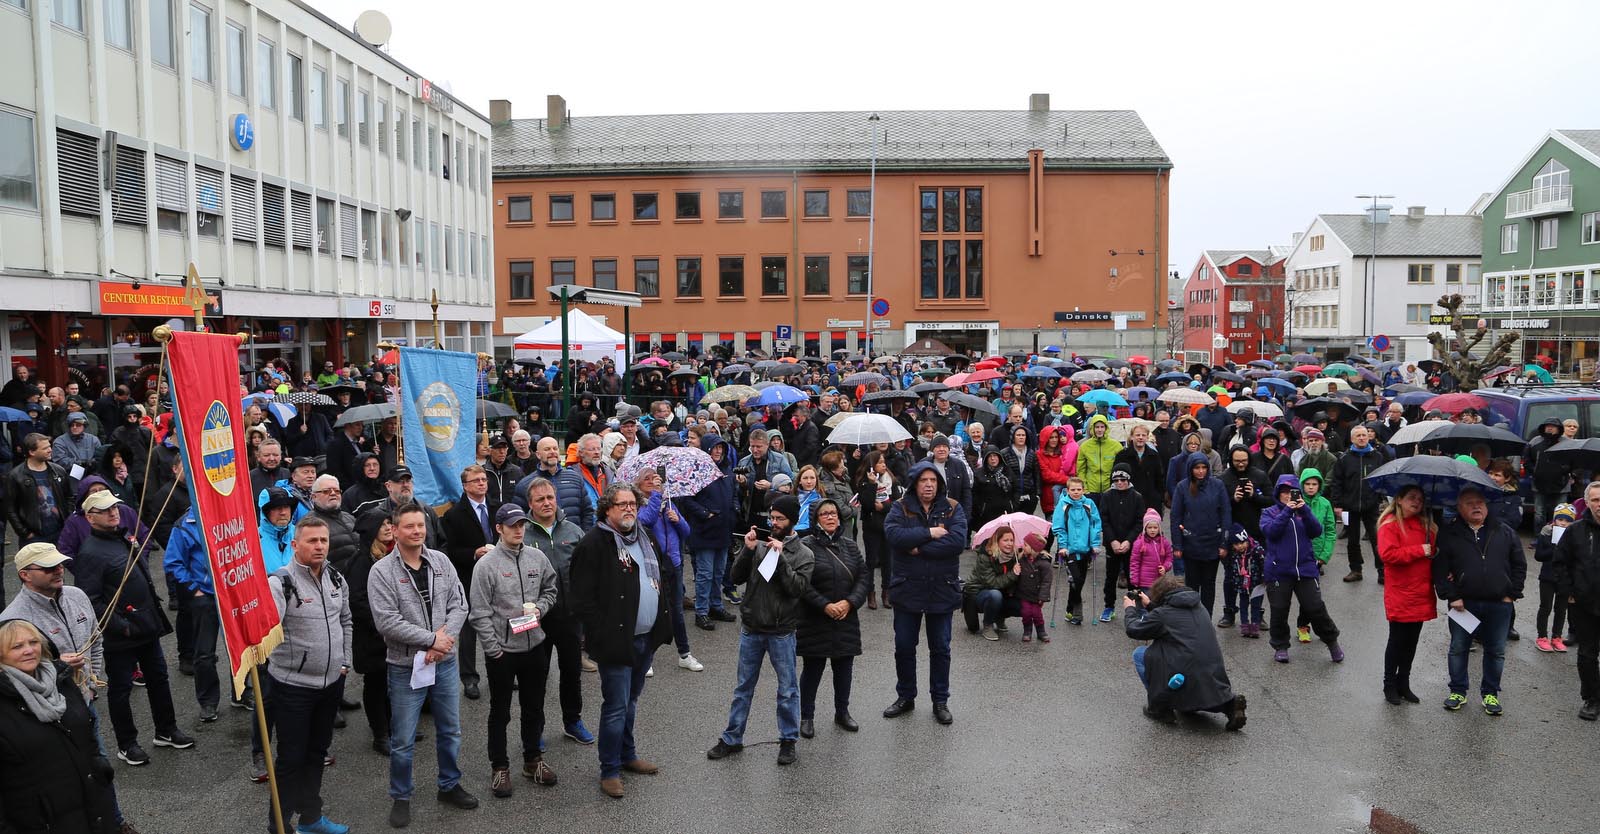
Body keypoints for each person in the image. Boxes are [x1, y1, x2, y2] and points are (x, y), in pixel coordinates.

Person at [368, 502, 477, 828]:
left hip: (443, 663)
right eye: (409, 526)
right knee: (402, 739)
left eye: (420, 525)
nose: (416, 531)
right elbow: (387, 622)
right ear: (395, 530)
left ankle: (449, 784)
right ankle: (401, 796)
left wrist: (443, 641)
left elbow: (460, 604)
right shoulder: (382, 572)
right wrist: (431, 640)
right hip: (405, 667)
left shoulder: (441, 561)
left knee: (450, 730)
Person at [567, 484, 673, 799]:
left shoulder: (645, 536)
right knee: (615, 706)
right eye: (622, 504)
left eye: (632, 504)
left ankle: (628, 755)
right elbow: (581, 600)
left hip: (645, 638)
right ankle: (609, 769)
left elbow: (660, 578)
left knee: (631, 701)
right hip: (616, 642)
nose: (629, 509)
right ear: (607, 509)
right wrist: (602, 633)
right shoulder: (594, 544)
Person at [72, 490, 192, 766]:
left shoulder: (122, 536)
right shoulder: (89, 553)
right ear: (90, 518)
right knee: (121, 689)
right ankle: (127, 744)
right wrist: (121, 626)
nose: (113, 512)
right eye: (104, 510)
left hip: (145, 626)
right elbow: (90, 600)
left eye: (114, 507)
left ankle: (166, 729)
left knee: (159, 679)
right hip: (121, 635)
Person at [706, 494, 814, 766]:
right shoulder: (761, 545)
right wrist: (747, 549)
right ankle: (732, 738)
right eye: (772, 518)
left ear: (792, 521)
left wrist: (781, 560)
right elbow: (735, 578)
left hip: (781, 631)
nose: (774, 523)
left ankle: (788, 740)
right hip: (752, 627)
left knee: (787, 689)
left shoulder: (804, 554)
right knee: (743, 687)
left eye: (780, 519)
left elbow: (796, 589)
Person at [264, 516, 354, 834]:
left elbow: (346, 620)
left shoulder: (335, 578)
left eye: (323, 541)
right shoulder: (281, 583)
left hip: (330, 684)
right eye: (312, 541)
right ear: (295, 544)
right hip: (292, 687)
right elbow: (268, 627)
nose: (319, 546)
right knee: (291, 760)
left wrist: (344, 662)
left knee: (317, 754)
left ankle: (311, 819)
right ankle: (279, 825)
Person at [469, 504, 559, 799]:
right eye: (512, 525)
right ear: (499, 529)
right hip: (503, 652)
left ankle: (532, 760)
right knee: (500, 711)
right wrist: (494, 650)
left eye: (521, 524)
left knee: (534, 707)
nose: (518, 529)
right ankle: (500, 767)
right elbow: (479, 614)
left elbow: (550, 589)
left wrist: (541, 610)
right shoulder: (486, 566)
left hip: (534, 645)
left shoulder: (537, 556)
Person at [0, 619, 121, 834]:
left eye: (33, 642)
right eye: (17, 646)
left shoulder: (61, 679)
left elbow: (87, 731)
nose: (29, 650)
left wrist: (99, 767)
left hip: (94, 810)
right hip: (43, 823)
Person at [881, 462, 968, 726]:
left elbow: (957, 542)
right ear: (914, 483)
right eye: (923, 480)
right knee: (905, 647)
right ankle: (906, 696)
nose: (929, 484)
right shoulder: (900, 507)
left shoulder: (952, 507)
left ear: (939, 483)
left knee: (940, 648)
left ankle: (940, 700)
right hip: (908, 588)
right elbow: (894, 535)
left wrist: (918, 548)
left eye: (933, 480)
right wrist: (930, 533)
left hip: (942, 588)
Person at [1434, 487, 1526, 716]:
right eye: (1469, 503)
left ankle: (1491, 693)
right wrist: (1451, 595)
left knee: (1496, 651)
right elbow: (1439, 568)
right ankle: (1458, 691)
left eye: (1480, 503)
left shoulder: (1504, 531)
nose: (1476, 506)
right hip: (1463, 605)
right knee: (1458, 648)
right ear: (1459, 508)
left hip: (1499, 603)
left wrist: (1512, 593)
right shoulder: (1449, 533)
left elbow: (1519, 564)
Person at [1122, 572, 1247, 730]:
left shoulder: (1162, 614)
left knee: (1140, 654)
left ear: (1160, 595)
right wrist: (1150, 606)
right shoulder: (1200, 607)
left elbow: (1134, 629)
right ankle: (1230, 705)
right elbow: (1174, 619)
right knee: (1203, 692)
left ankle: (1161, 707)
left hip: (1183, 676)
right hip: (1214, 677)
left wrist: (1130, 610)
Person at [521, 477, 593, 745]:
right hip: (536, 618)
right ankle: (534, 729)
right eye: (540, 499)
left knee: (572, 671)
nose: (546, 503)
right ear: (530, 504)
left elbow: (587, 571)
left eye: (550, 497)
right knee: (535, 676)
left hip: (569, 616)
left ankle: (572, 721)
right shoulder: (522, 534)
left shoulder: (573, 531)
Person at [796, 499, 867, 736]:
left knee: (844, 668)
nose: (830, 517)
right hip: (815, 618)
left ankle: (842, 712)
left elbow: (863, 578)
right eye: (825, 514)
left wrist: (850, 602)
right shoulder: (804, 545)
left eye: (834, 513)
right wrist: (825, 605)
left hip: (846, 617)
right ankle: (806, 716)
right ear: (816, 518)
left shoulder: (850, 546)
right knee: (813, 670)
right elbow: (801, 584)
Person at [1260, 476, 1343, 663]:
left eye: (1292, 492)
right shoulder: (1269, 512)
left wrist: (1303, 510)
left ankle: (1331, 642)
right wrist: (1287, 512)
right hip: (1278, 571)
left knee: (1316, 608)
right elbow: (1271, 532)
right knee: (1279, 610)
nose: (1288, 495)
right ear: (1278, 493)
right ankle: (1280, 646)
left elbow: (1316, 531)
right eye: (1284, 492)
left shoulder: (1304, 511)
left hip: (1305, 568)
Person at [1376, 485, 1437, 706]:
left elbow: (1433, 553)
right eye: (1411, 498)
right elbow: (1388, 554)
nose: (1416, 502)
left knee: (1412, 642)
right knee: (1397, 641)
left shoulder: (1427, 525)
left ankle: (1404, 682)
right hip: (1401, 593)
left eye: (1420, 499)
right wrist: (1421, 550)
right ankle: (1389, 684)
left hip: (1421, 591)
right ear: (1399, 500)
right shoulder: (1390, 524)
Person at [635, 468, 701, 672]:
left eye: (654, 478)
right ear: (638, 484)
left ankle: (685, 654)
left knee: (676, 612)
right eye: (647, 479)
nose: (652, 481)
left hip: (673, 563)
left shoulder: (669, 503)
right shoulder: (639, 504)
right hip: (652, 565)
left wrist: (677, 519)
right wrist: (656, 494)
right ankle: (647, 659)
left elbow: (686, 532)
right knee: (653, 612)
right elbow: (645, 521)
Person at [442, 465, 497, 702]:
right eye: (476, 481)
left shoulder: (496, 506)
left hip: (497, 576)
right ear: (465, 486)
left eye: (484, 479)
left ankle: (499, 669)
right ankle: (470, 678)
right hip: (468, 577)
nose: (482, 483)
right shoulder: (454, 515)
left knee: (498, 625)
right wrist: (474, 553)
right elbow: (450, 550)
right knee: (469, 632)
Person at [347, 513, 395, 754]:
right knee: (375, 684)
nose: (388, 527)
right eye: (383, 524)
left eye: (389, 523)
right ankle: (380, 734)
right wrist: (382, 624)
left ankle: (392, 726)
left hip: (388, 633)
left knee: (390, 682)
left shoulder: (387, 554)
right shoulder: (361, 561)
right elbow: (357, 600)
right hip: (371, 636)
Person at [681, 434, 739, 630]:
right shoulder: (696, 472)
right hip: (704, 531)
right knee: (705, 573)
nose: (718, 451)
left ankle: (715, 605)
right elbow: (687, 500)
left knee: (719, 572)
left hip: (723, 529)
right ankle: (702, 611)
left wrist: (734, 511)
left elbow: (733, 495)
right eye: (714, 448)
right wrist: (705, 514)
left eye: (720, 448)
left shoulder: (727, 470)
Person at [1554, 485, 1600, 721]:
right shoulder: (1576, 531)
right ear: (1588, 503)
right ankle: (1592, 698)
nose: (1599, 504)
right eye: (1595, 499)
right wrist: (1569, 591)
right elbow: (1560, 562)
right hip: (1585, 603)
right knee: (1587, 654)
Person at [1169, 452, 1231, 615]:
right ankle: (1192, 620)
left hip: (1213, 543)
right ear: (1191, 469)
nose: (1201, 471)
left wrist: (1224, 543)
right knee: (1192, 585)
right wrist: (1177, 544)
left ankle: (1207, 619)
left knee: (1209, 584)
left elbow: (1226, 514)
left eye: (1204, 467)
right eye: (1197, 468)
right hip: (1191, 544)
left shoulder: (1217, 485)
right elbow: (1175, 517)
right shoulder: (1183, 487)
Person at [1330, 424, 1392, 584]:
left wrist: (1382, 499)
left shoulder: (1377, 457)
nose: (1362, 438)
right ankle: (1355, 569)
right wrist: (1337, 504)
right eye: (1358, 436)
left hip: (1371, 506)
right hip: (1349, 507)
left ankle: (1382, 571)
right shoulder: (1344, 459)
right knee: (1352, 541)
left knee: (1377, 539)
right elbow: (1337, 483)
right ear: (1352, 439)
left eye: (1364, 435)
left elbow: (1383, 479)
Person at [1051, 477, 1102, 626]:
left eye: (1079, 489)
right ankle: (1078, 613)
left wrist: (1094, 544)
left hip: (1085, 549)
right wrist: (1063, 546)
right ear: (1068, 490)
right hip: (1069, 551)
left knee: (1078, 582)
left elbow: (1095, 524)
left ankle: (1069, 608)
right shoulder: (1063, 505)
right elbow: (1059, 527)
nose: (1076, 492)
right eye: (1073, 489)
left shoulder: (1089, 504)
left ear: (1083, 490)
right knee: (1077, 580)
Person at [1099, 465, 1147, 622]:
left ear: (1128, 480)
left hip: (1130, 544)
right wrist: (1112, 540)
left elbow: (1140, 522)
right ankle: (1109, 607)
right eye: (1116, 480)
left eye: (1123, 480)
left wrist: (1129, 540)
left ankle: (1135, 607)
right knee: (1110, 577)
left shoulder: (1137, 497)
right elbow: (1104, 520)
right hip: (1112, 544)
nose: (1119, 483)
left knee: (1132, 577)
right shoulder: (1107, 496)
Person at [8, 432, 71, 547]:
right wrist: (24, 533)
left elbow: (69, 498)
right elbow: (10, 508)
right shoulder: (16, 476)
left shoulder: (58, 471)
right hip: (34, 537)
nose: (50, 450)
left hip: (60, 532)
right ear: (32, 452)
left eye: (49, 446)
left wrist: (68, 523)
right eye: (45, 448)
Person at [855, 450, 899, 609]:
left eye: (884, 462)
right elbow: (866, 504)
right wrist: (873, 484)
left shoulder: (890, 479)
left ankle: (886, 592)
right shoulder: (864, 481)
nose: (883, 465)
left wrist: (884, 506)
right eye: (880, 462)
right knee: (871, 560)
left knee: (888, 560)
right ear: (872, 465)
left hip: (888, 524)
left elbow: (897, 501)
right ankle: (870, 593)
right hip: (871, 526)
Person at [963, 529, 1021, 639]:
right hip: (978, 593)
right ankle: (988, 625)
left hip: (1000, 590)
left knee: (1024, 604)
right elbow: (992, 583)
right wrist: (1013, 573)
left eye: (1012, 540)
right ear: (997, 541)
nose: (1009, 544)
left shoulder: (1015, 556)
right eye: (1005, 540)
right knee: (995, 595)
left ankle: (999, 616)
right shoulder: (985, 556)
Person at [1533, 503, 1573, 655]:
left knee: (1561, 609)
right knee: (1545, 607)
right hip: (1547, 577)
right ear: (1554, 519)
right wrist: (1553, 546)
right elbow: (1538, 556)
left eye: (1567, 520)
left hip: (1564, 579)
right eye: (1560, 519)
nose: (1563, 523)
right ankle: (1542, 636)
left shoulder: (1573, 536)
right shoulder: (1546, 534)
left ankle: (1557, 637)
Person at [555, 434, 608, 533]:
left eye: (598, 448)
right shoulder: (571, 475)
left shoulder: (608, 473)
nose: (597, 452)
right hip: (586, 530)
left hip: (609, 528)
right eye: (592, 449)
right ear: (581, 453)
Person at [1224, 524, 1267, 639]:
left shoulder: (1257, 550)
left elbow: (1264, 565)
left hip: (1256, 584)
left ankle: (1255, 625)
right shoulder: (1234, 554)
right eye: (1236, 544)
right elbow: (1232, 567)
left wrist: (1264, 578)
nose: (1240, 546)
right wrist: (1235, 580)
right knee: (1243, 604)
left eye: (1242, 543)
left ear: (1247, 540)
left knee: (1256, 605)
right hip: (1242, 584)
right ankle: (1244, 625)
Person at [1015, 533, 1054, 643]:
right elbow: (1016, 579)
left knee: (1037, 614)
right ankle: (1027, 630)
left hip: (1037, 595)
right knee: (1026, 612)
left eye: (1026, 545)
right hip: (1024, 593)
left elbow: (1047, 581)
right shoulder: (1021, 559)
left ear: (1033, 548)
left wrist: (1043, 596)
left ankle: (1041, 631)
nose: (1023, 546)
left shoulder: (1044, 564)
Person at [1129, 509, 1173, 592]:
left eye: (1155, 527)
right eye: (1149, 527)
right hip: (1144, 582)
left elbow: (1169, 558)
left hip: (1159, 581)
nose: (1152, 530)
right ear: (1145, 528)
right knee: (1146, 603)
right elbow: (1134, 562)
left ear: (1159, 528)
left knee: (1158, 602)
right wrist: (1134, 580)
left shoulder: (1165, 542)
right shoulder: (1139, 543)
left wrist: (1165, 567)